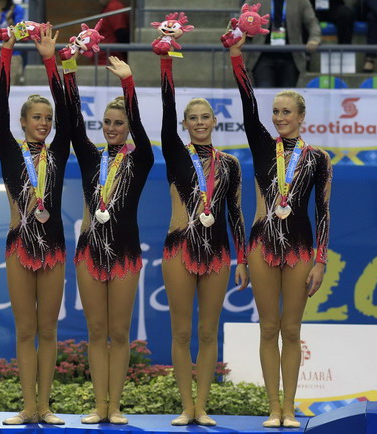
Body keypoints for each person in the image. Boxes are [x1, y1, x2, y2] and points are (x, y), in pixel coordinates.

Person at [229, 33, 332, 428]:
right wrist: (237, 58)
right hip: (262, 245)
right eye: (276, 111)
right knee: (268, 326)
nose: (278, 117)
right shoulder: (260, 146)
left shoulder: (318, 159)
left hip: (302, 246)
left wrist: (320, 261)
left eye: (286, 111)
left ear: (302, 117)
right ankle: (273, 408)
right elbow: (247, 104)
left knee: (292, 329)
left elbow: (323, 212)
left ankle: (290, 408)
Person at [159, 55, 249, 426]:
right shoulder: (176, 155)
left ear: (215, 122)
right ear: (184, 124)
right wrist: (166, 62)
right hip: (179, 248)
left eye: (205, 118)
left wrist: (242, 258)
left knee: (208, 331)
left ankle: (203, 406)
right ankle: (186, 405)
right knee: (181, 332)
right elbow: (165, 112)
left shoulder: (230, 164)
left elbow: (236, 214)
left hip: (216, 252)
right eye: (192, 118)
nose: (199, 123)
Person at [63, 55, 154, 425]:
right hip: (89, 252)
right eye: (107, 123)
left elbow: (144, 131)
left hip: (125, 253)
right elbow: (70, 120)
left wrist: (128, 83)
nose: (113, 128)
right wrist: (67, 70)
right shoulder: (89, 158)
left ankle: (115, 406)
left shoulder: (141, 158)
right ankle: (98, 404)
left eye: (119, 123)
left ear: (129, 127)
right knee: (96, 331)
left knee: (119, 332)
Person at [0, 24, 69, 426]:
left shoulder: (58, 150)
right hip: (19, 244)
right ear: (23, 122)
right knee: (25, 331)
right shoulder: (9, 151)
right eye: (36, 118)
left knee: (48, 329)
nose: (43, 123)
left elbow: (67, 111)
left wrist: (48, 59)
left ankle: (46, 406)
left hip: (53, 244)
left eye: (47, 118)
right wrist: (6, 52)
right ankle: (28, 406)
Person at [243, 0, 321, 88]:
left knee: (287, 97)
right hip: (262, 57)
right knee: (265, 93)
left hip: (291, 57)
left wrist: (314, 39)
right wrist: (239, 36)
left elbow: (312, 22)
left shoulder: (301, 1)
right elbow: (242, 20)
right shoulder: (254, 1)